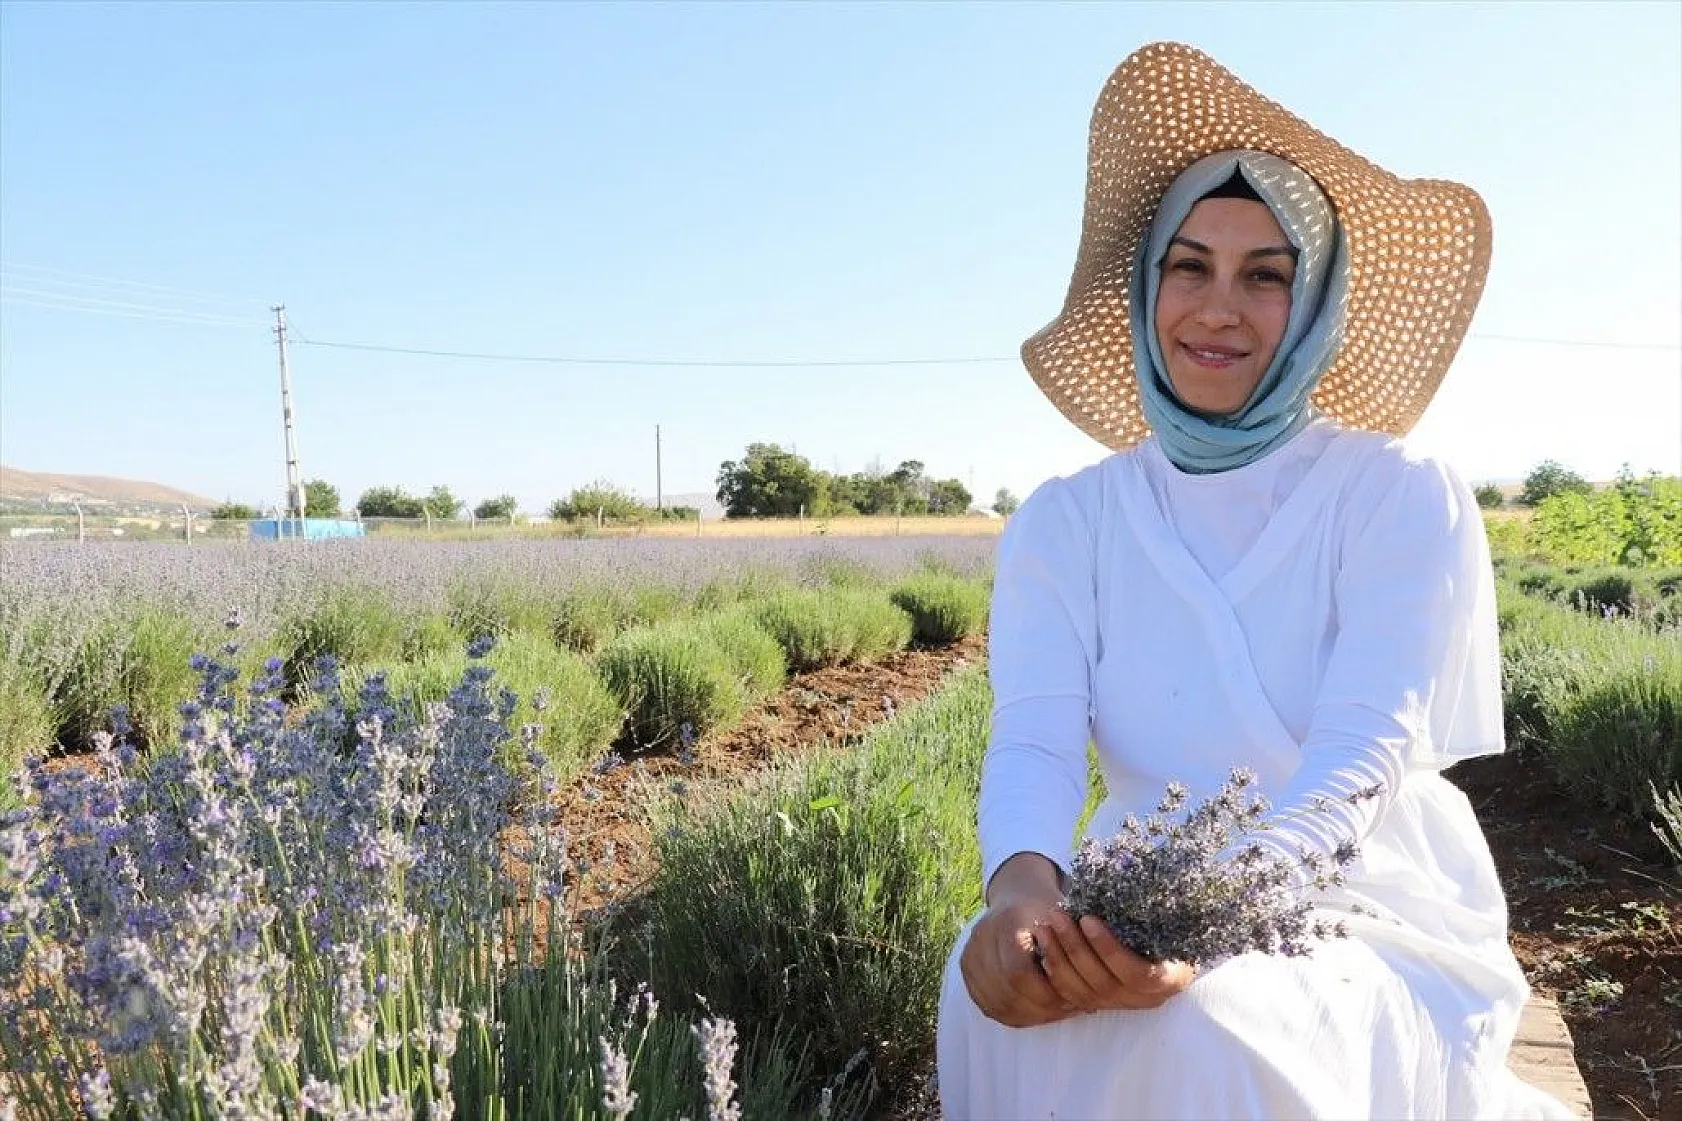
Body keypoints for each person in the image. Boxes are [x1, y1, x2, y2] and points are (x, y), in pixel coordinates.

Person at [936, 42, 1579, 1120]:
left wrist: (1205, 926)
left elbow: (1362, 752)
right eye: (1188, 266)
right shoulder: (1068, 519)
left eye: (1265, 275)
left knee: (1210, 1025)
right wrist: (1023, 897)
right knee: (982, 990)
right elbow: (1035, 737)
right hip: (1131, 894)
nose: (1218, 308)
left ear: (1316, 301)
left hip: (1357, 900)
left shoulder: (1393, 495)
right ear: (1145, 286)